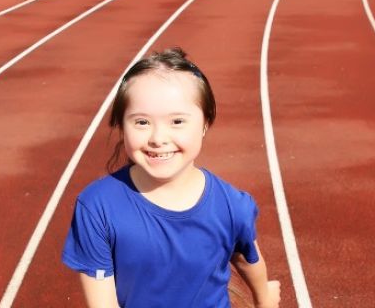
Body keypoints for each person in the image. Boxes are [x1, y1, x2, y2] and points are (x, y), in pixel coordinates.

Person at [61, 47, 280, 308]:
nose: (158, 138)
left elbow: (246, 258)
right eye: (141, 122)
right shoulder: (98, 208)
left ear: (205, 124)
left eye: (177, 121)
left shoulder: (232, 205)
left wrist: (264, 299)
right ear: (121, 126)